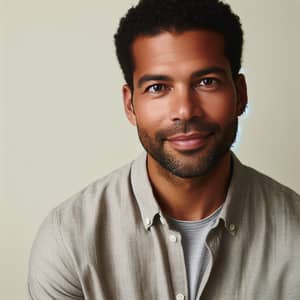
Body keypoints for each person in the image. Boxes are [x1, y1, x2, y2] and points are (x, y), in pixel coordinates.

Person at [27, 0, 300, 299]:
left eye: (207, 82)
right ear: (130, 105)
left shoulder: (295, 234)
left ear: (240, 94)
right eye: (158, 87)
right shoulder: (68, 241)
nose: (185, 111)